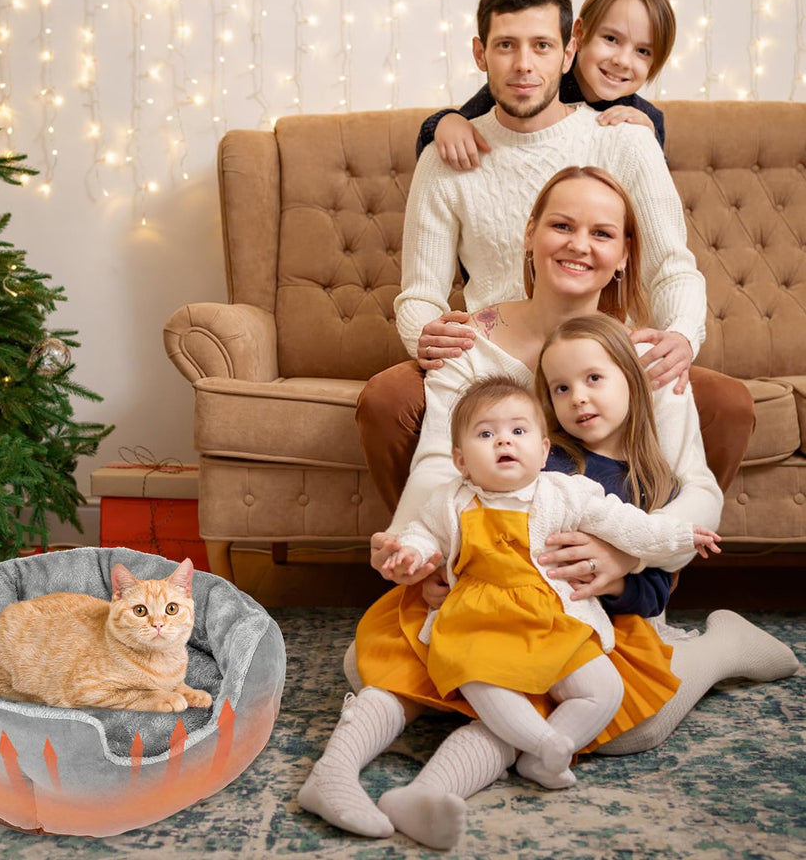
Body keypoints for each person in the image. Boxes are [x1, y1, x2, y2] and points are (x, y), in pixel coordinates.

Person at [298, 166, 798, 850]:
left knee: (633, 728)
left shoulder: (647, 357)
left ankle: (719, 647)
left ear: (624, 254)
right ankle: (380, 768)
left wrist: (629, 557)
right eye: (562, 225)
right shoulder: (470, 345)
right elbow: (441, 471)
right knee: (372, 667)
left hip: (584, 599)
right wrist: (423, 556)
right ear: (529, 234)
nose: (579, 245)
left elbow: (695, 489)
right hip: (495, 583)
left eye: (603, 233)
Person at [356, 0, 754, 514]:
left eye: (542, 46)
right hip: (494, 359)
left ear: (568, 51)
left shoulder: (625, 138)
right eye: (505, 46)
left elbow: (670, 267)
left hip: (605, 358)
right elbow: (420, 292)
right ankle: (437, 553)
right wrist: (424, 335)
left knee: (728, 404)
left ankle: (647, 573)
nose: (524, 65)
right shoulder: (449, 153)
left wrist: (682, 336)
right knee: (385, 398)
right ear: (480, 53)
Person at [380, 372, 720, 794]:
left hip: (555, 619)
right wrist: (410, 551)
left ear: (544, 452)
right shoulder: (451, 500)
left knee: (603, 691)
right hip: (477, 622)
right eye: (486, 434)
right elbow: (422, 532)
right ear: (461, 461)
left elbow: (626, 525)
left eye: (518, 431)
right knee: (483, 683)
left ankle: (542, 760)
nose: (504, 441)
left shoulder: (566, 493)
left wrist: (682, 535)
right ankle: (548, 744)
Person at [417, 0, 676, 164]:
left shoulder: (645, 118)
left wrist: (647, 143)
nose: (622, 60)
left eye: (643, 51)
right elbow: (463, 123)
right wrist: (446, 121)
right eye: (610, 39)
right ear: (578, 36)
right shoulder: (539, 82)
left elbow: (653, 200)